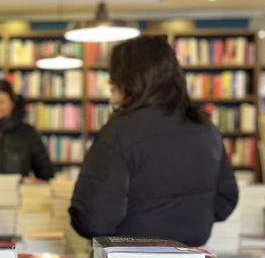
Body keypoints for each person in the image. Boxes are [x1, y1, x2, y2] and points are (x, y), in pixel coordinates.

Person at [69, 36, 239, 246]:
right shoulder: (205, 127)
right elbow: (225, 201)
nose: (109, 81)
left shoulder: (121, 131)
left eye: (113, 73)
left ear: (130, 78)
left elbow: (94, 219)